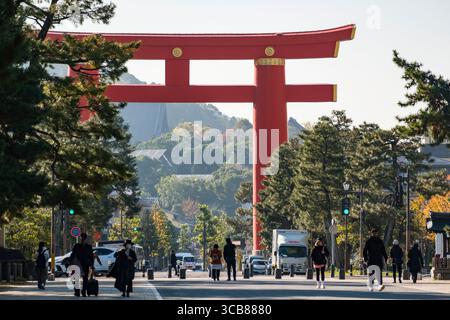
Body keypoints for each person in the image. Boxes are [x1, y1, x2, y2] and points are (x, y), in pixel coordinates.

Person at [69, 233, 94, 297]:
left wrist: (70, 262)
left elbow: (73, 255)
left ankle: (77, 292)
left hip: (78, 264)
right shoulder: (89, 247)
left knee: (77, 278)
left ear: (80, 238)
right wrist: (92, 265)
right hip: (85, 264)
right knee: (85, 278)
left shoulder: (77, 246)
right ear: (86, 238)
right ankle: (83, 291)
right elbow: (91, 257)